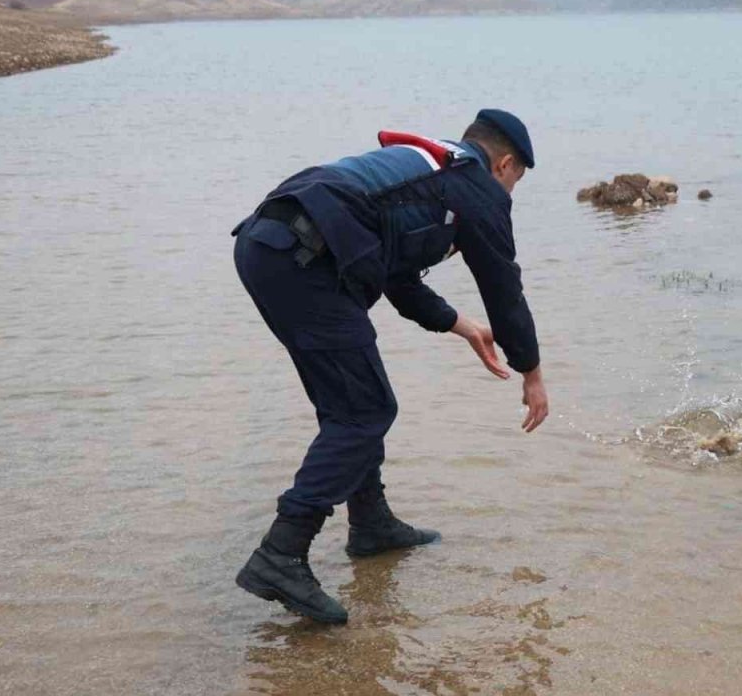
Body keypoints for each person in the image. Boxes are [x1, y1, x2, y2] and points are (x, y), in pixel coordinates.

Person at [230, 109, 549, 624]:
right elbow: (504, 288)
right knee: (365, 412)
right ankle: (280, 554)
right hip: (305, 262)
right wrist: (531, 372)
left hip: (269, 247)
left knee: (352, 405)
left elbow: (395, 274)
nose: (511, 194)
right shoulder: (476, 187)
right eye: (516, 182)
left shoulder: (431, 170)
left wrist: (458, 324)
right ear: (505, 163)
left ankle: (371, 524)